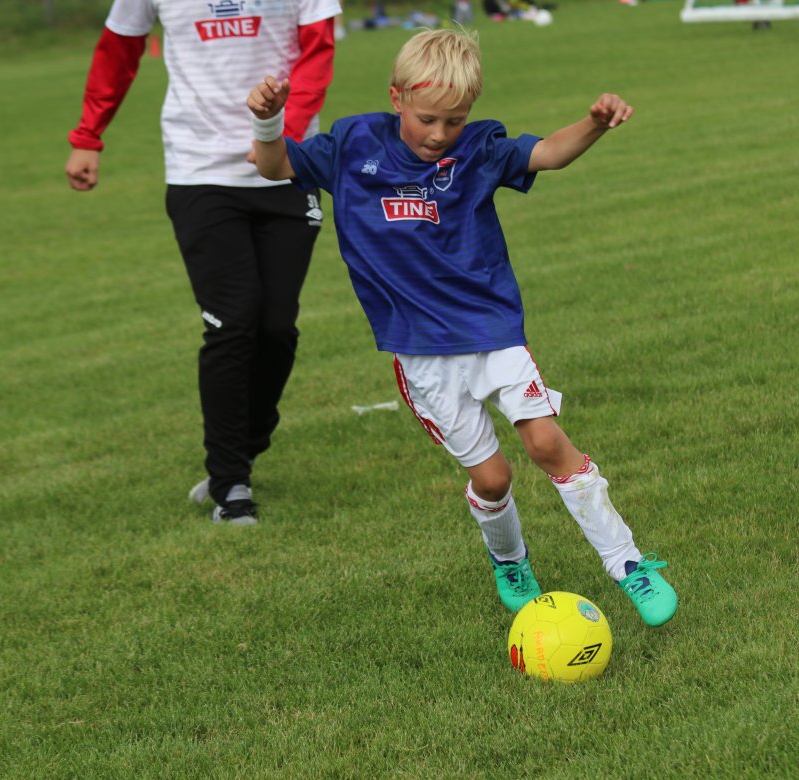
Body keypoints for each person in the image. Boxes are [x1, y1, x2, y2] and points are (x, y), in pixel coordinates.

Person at [245, 28, 677, 626]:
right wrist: (269, 121)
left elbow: (549, 153)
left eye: (455, 120)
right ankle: (511, 561)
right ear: (396, 97)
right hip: (420, 350)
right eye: (427, 119)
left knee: (546, 442)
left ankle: (628, 564)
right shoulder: (351, 143)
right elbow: (273, 165)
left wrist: (595, 123)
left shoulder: (478, 147)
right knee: (493, 479)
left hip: (491, 327)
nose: (440, 133)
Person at [65, 0, 341, 525]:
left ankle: (243, 450)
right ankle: (230, 482)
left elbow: (318, 52)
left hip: (287, 165)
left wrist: (278, 136)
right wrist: (88, 135)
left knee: (276, 327)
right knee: (232, 323)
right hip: (200, 173)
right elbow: (118, 51)